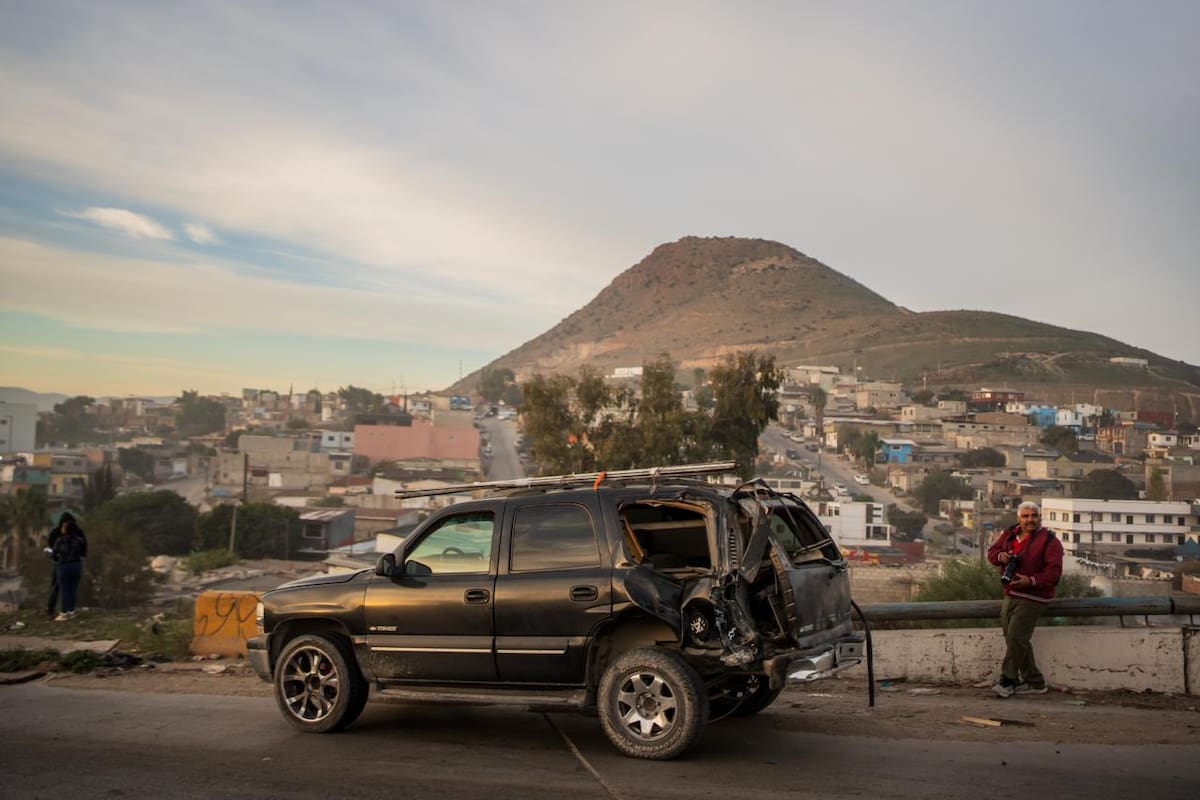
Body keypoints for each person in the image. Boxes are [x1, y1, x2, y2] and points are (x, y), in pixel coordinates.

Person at [986, 500, 1063, 697]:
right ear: (1018, 518)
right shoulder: (1010, 535)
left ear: (1040, 518)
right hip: (1011, 593)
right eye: (1026, 516)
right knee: (1015, 638)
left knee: (1017, 636)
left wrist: (1031, 580)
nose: (1030, 520)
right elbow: (992, 553)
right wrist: (1001, 556)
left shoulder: (1049, 542)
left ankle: (1008, 680)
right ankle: (1035, 682)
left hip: (1034, 596)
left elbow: (1053, 574)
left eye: (1034, 516)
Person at [51, 512, 88, 622]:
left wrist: (54, 555)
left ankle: (63, 613)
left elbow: (54, 555)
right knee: (73, 590)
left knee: (64, 590)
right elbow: (84, 553)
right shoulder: (80, 541)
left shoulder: (60, 540)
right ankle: (71, 611)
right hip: (76, 566)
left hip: (63, 566)